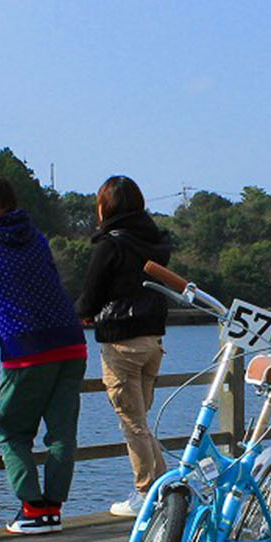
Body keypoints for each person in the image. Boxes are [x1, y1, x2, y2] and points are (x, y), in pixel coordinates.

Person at [0, 175, 87, 534]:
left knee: (12, 430)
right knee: (62, 433)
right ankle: (53, 510)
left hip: (27, 347)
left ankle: (32, 508)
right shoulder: (35, 234)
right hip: (70, 340)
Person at [75, 175, 174, 517]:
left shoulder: (111, 244)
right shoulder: (157, 242)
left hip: (121, 342)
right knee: (141, 420)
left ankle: (147, 495)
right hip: (153, 341)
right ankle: (168, 490)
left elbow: (91, 293)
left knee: (133, 423)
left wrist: (83, 315)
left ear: (105, 207)